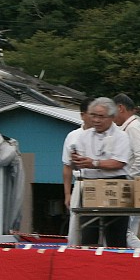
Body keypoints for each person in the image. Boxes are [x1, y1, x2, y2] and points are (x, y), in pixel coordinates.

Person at [70, 97, 131, 248]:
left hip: (116, 183)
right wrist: (76, 160)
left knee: (116, 231)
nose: (96, 120)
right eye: (93, 116)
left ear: (111, 117)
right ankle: (89, 264)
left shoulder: (121, 136)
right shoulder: (83, 136)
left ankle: (117, 264)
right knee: (88, 230)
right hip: (90, 184)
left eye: (101, 116)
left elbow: (119, 162)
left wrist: (94, 163)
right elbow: (77, 163)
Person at [113, 93, 140, 249]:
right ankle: (139, 259)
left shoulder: (133, 128)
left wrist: (129, 177)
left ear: (120, 108)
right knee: (130, 230)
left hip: (135, 183)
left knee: (124, 230)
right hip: (137, 182)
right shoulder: (129, 127)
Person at [61, 97, 94, 245]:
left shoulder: (107, 134)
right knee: (75, 221)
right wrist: (67, 193)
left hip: (100, 182)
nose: (96, 118)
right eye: (92, 113)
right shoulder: (73, 136)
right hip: (80, 182)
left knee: (99, 221)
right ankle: (73, 250)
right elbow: (67, 166)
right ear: (82, 114)